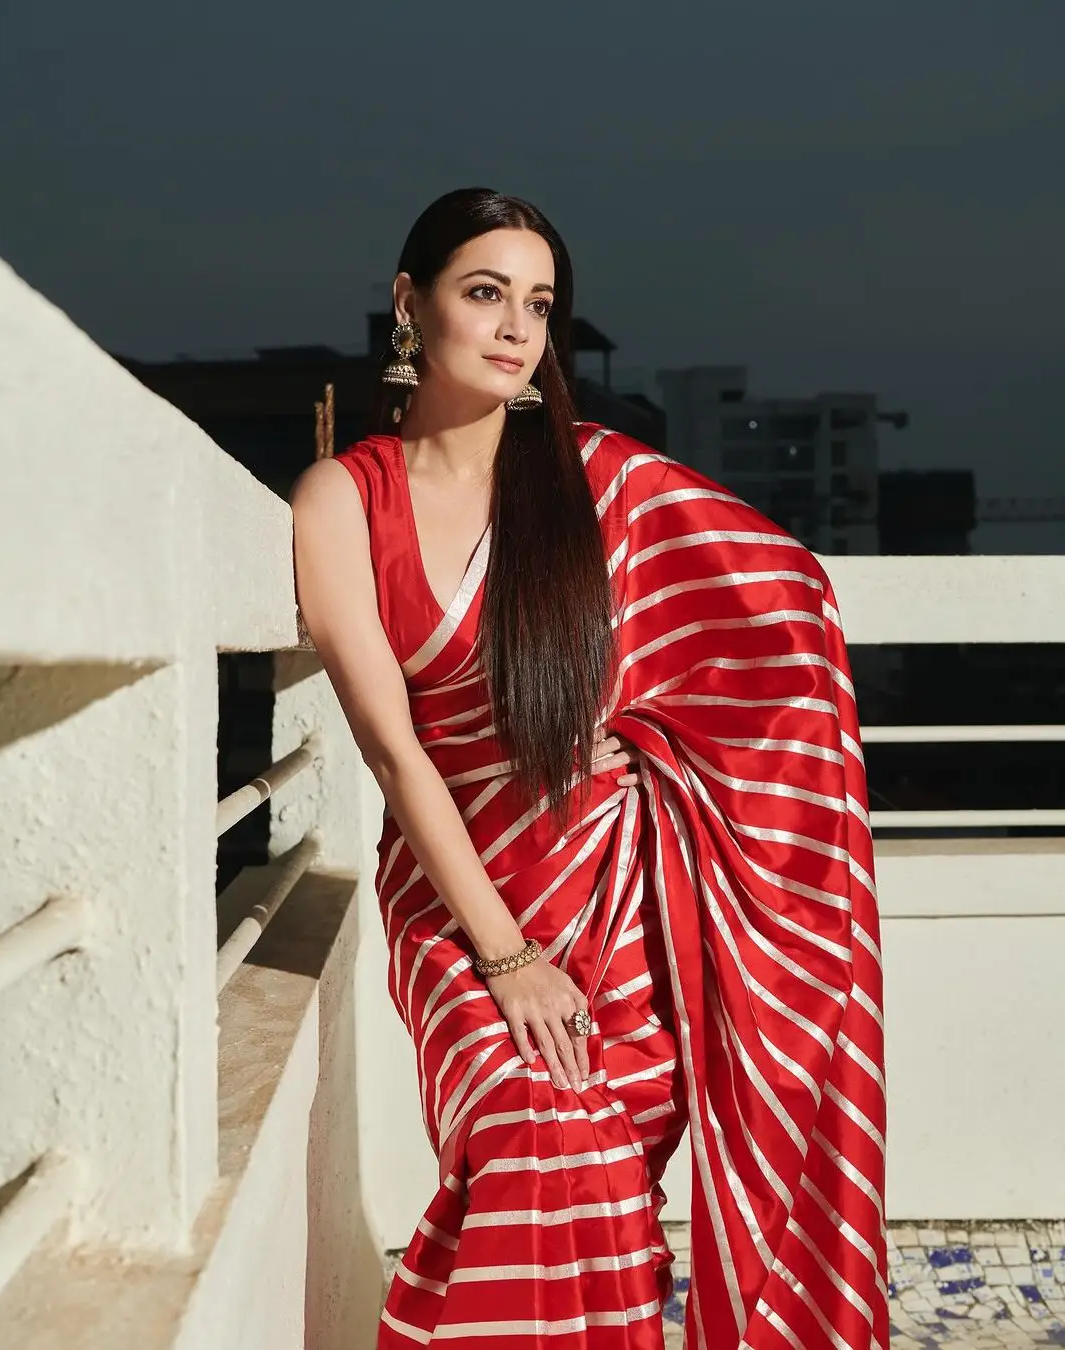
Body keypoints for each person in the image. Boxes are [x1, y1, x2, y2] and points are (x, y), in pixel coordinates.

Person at [291, 187, 887, 1350]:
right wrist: (505, 958)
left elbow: (786, 604)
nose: (517, 327)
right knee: (533, 1131)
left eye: (540, 304)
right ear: (410, 306)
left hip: (613, 894)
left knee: (611, 1182)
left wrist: (658, 741)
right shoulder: (344, 497)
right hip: (459, 899)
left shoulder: (597, 480)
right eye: (484, 293)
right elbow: (393, 748)